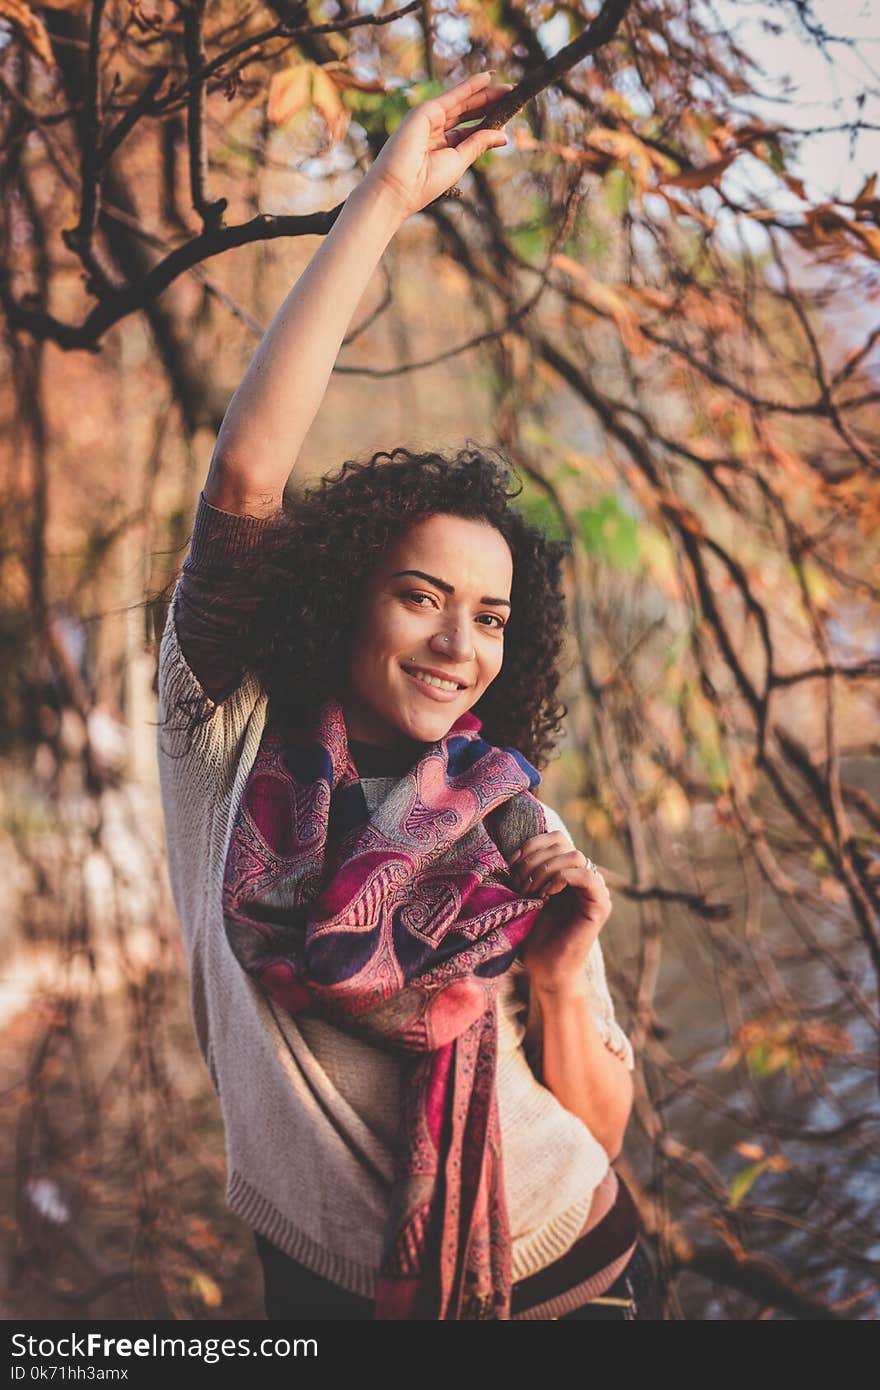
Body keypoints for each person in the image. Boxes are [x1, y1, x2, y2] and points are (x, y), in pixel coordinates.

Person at [156, 71, 662, 1321]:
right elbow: (247, 470)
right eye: (421, 596)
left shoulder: (505, 818)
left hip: (585, 1276)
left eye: (490, 616)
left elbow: (596, 1127)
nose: (459, 644)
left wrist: (560, 969)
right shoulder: (222, 735)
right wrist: (384, 198)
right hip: (332, 1294)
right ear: (343, 596)